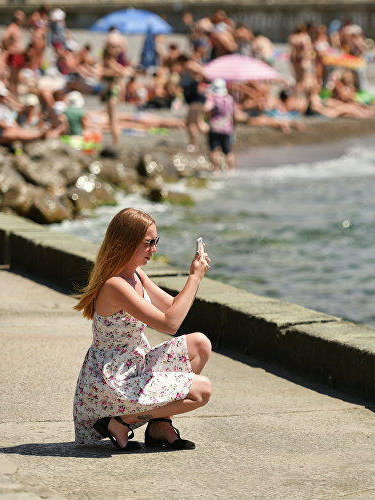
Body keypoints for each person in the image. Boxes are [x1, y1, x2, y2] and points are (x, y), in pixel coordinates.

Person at [73, 208, 213, 451]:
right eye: (149, 243)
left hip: (136, 365)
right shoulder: (115, 285)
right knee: (202, 391)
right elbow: (170, 324)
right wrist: (194, 278)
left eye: (155, 241)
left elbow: (171, 307)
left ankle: (160, 424)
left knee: (200, 344)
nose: (154, 249)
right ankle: (119, 422)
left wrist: (195, 276)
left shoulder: (136, 274)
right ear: (127, 243)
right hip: (114, 379)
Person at [204, 78, 236, 170]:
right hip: (227, 128)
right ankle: (232, 170)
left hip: (215, 127)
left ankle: (216, 170)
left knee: (214, 150)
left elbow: (206, 108)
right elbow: (234, 113)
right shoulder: (229, 98)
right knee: (228, 151)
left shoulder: (213, 98)